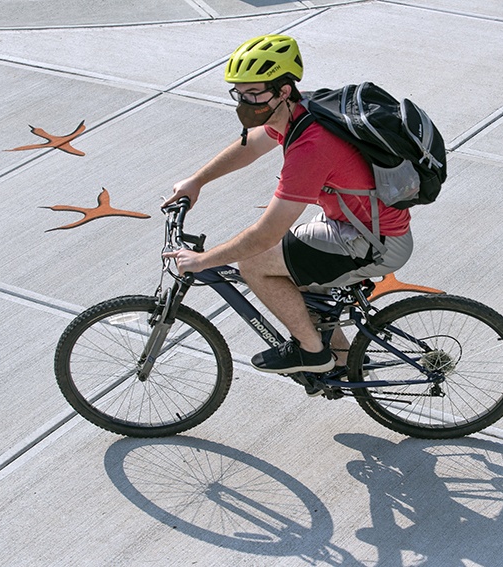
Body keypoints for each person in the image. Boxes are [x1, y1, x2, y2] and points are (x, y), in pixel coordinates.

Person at [162, 34, 413, 388]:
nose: (245, 102)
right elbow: (249, 148)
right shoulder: (300, 112)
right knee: (294, 280)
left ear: (282, 90)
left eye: (254, 94)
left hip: (373, 242)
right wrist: (197, 181)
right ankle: (340, 364)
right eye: (239, 94)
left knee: (255, 262)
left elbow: (265, 235)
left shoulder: (311, 148)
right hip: (357, 227)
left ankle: (313, 353)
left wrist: (204, 261)